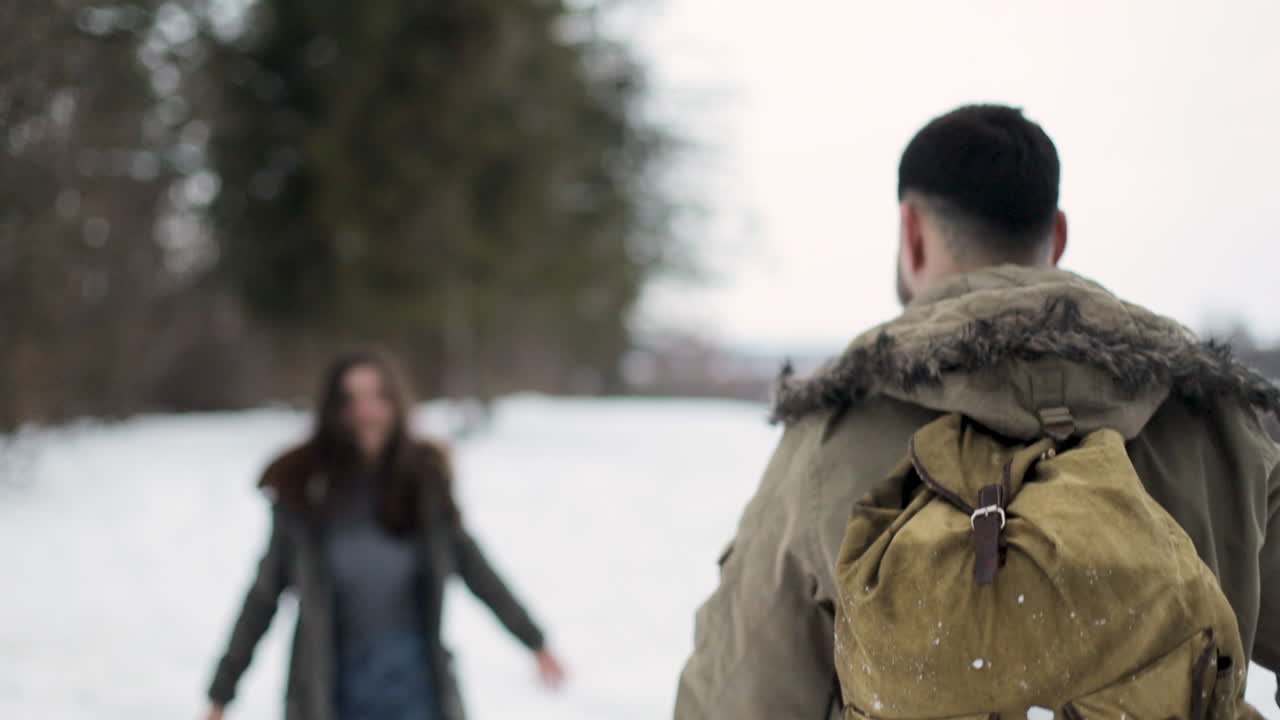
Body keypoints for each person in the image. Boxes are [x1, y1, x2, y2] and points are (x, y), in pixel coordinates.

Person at [674, 104, 1280, 718]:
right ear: (1058, 235)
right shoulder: (1216, 420)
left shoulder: (831, 437)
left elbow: (738, 694)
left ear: (911, 231)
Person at [205, 351, 566, 720]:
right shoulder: (304, 488)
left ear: (396, 402)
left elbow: (477, 571)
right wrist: (222, 691)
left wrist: (534, 641)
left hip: (417, 694)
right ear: (333, 409)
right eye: (351, 400)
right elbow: (262, 598)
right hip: (329, 695)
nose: (366, 412)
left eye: (378, 396)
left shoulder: (423, 482)